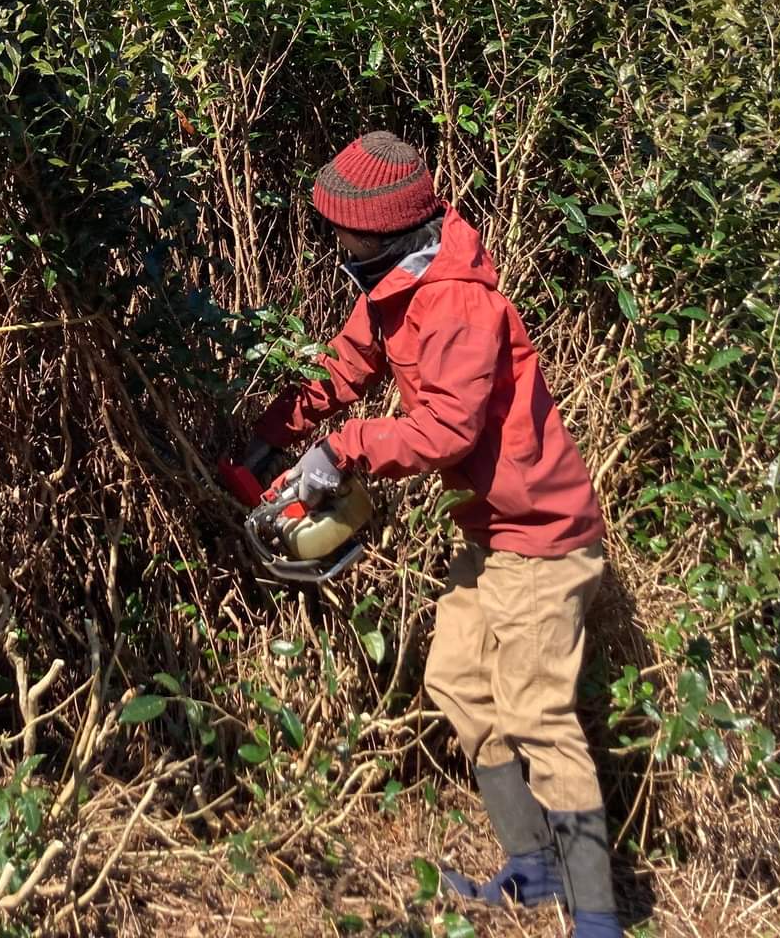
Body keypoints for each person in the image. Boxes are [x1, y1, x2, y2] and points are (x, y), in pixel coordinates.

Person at [248, 131, 622, 938]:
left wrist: (346, 448)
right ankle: (534, 869)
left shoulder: (458, 301)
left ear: (383, 229)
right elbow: (346, 367)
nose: (336, 242)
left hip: (545, 540)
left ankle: (597, 916)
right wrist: (270, 434)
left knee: (536, 714)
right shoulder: (394, 285)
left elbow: (446, 431)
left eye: (344, 230)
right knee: (457, 678)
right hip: (493, 536)